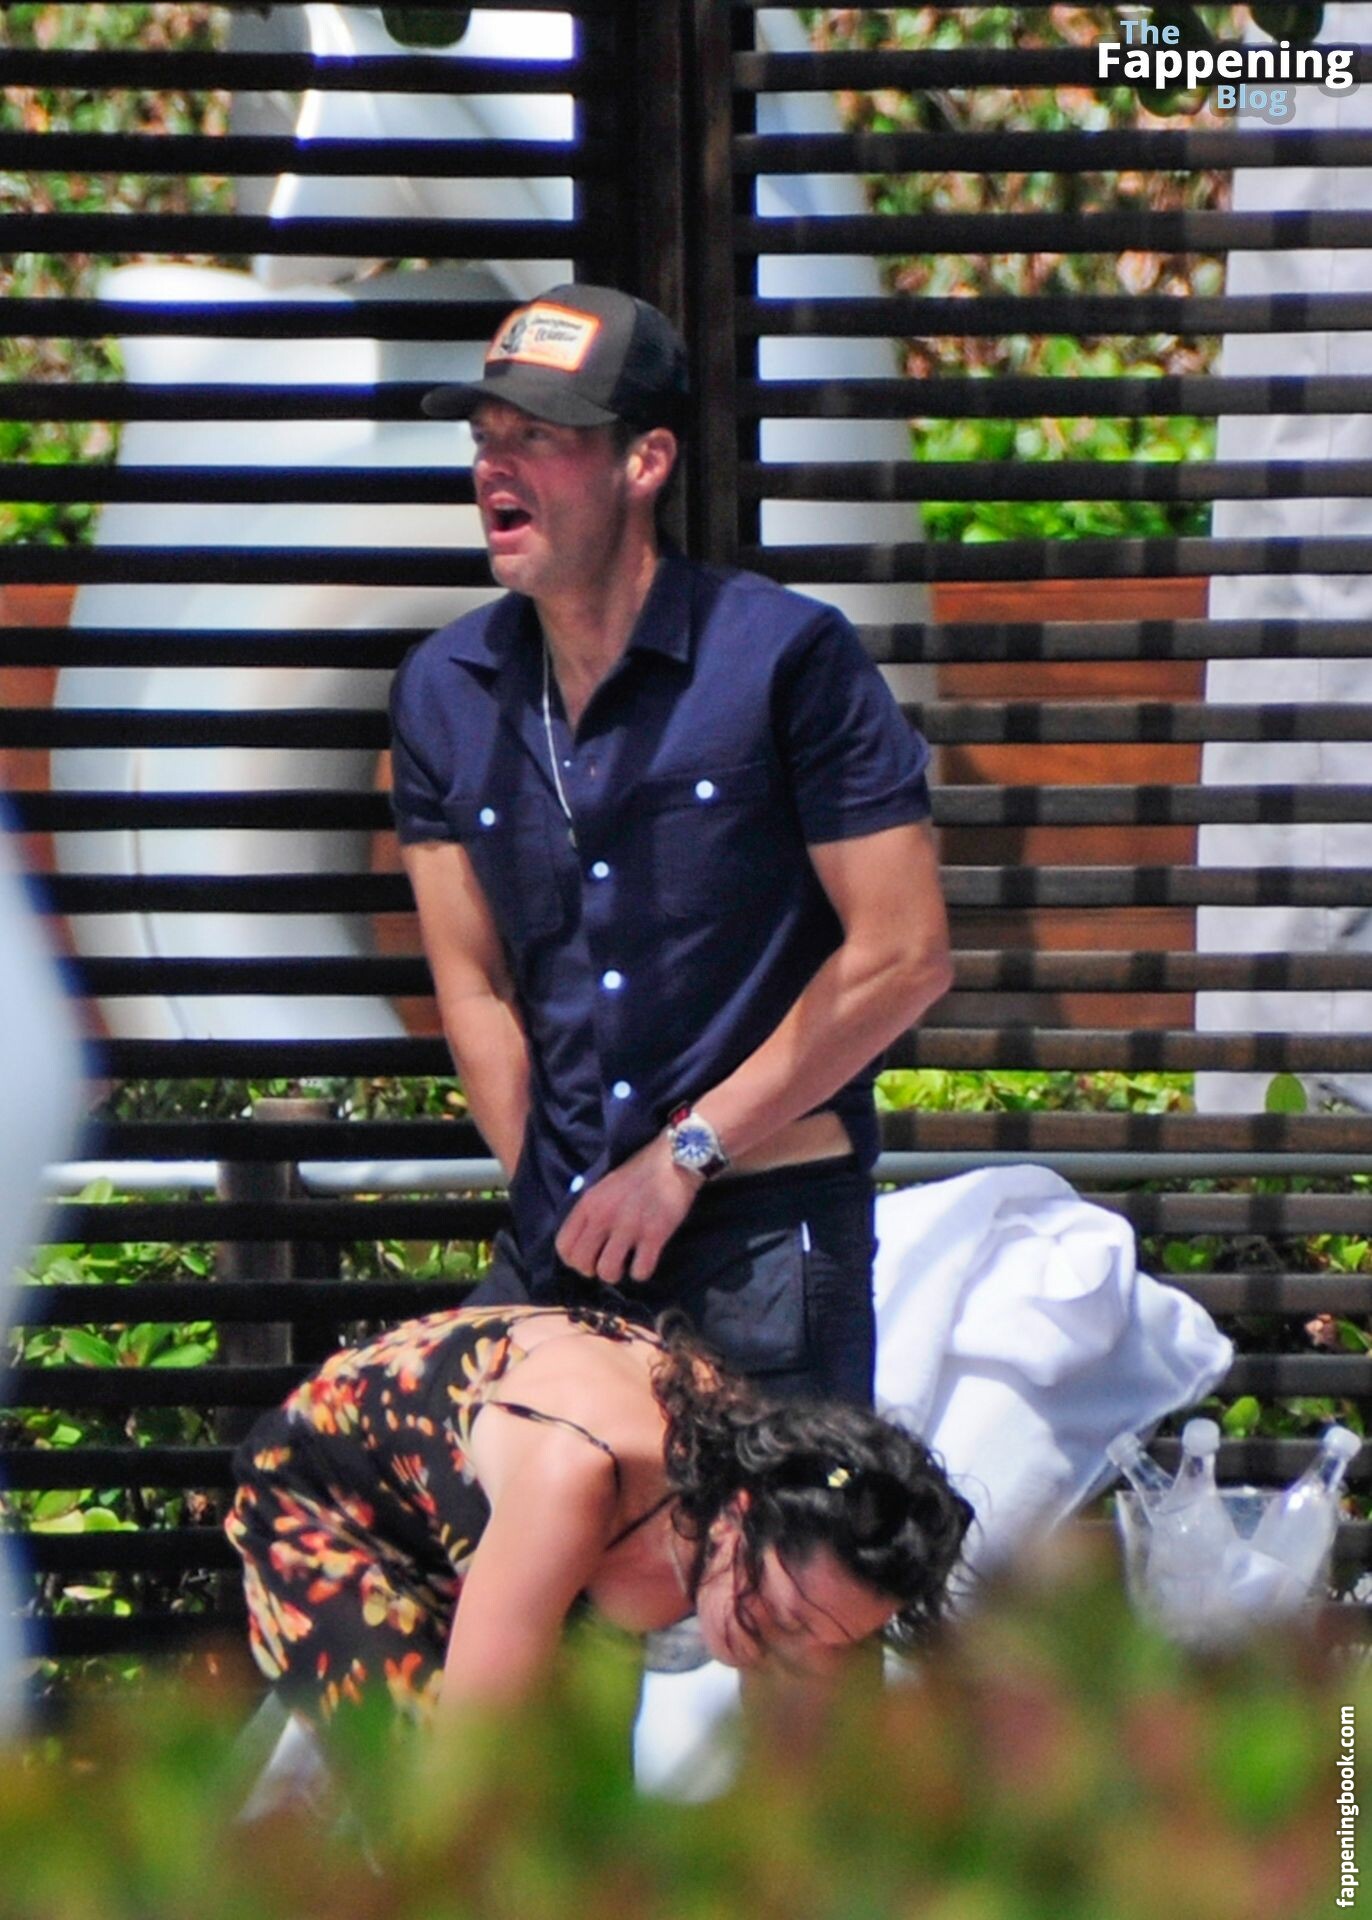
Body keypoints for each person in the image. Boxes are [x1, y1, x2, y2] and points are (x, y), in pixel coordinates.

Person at [390, 283, 953, 1405]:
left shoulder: (786, 658)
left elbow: (904, 955)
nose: (495, 467)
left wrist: (684, 1157)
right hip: (568, 1229)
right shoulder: (444, 690)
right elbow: (473, 984)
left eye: (537, 437)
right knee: (395, 1480)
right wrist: (553, 1197)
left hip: (761, 1225)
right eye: (485, 437)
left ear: (644, 462)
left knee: (765, 1531)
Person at [225, 1301, 973, 1723]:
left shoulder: (816, 1575)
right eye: (779, 1618)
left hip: (527, 1530)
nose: (789, 1654)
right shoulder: (580, 1476)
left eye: (831, 1641)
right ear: (739, 1515)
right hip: (333, 1503)